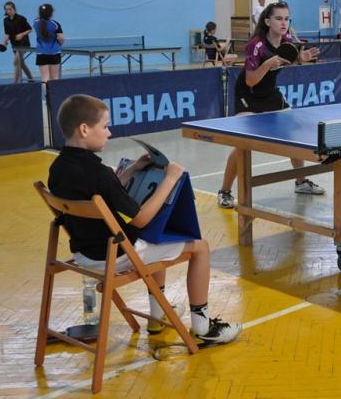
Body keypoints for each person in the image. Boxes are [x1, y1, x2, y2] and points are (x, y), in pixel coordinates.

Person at [48, 94, 242, 345]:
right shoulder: (100, 174)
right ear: (84, 129)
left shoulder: (58, 168)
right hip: (114, 255)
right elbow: (141, 219)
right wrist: (170, 178)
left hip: (84, 254)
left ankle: (157, 315)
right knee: (199, 247)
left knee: (156, 240)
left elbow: (99, 193)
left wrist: (132, 169)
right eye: (105, 126)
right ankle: (203, 328)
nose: (109, 133)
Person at [218, 2, 322, 208]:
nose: (284, 23)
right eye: (278, 18)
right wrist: (266, 64)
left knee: (293, 134)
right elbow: (250, 80)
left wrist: (300, 59)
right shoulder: (256, 45)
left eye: (287, 19)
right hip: (248, 94)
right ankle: (225, 191)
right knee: (242, 143)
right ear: (267, 21)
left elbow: (287, 60)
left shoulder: (287, 41)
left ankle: (301, 182)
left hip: (270, 92)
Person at [0, 1, 35, 83]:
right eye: (6, 9)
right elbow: (7, 34)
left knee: (16, 62)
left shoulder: (21, 18)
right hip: (14, 44)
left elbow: (30, 29)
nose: (8, 11)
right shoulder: (5, 20)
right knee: (21, 63)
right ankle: (31, 79)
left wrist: (21, 34)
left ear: (14, 9)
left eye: (10, 9)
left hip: (23, 43)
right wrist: (4, 42)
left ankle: (15, 82)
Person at [32, 3, 64, 88]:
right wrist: (60, 44)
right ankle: (54, 95)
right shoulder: (55, 24)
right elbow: (61, 38)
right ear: (51, 13)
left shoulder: (35, 23)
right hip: (54, 52)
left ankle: (44, 96)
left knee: (44, 78)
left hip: (41, 53)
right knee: (54, 78)